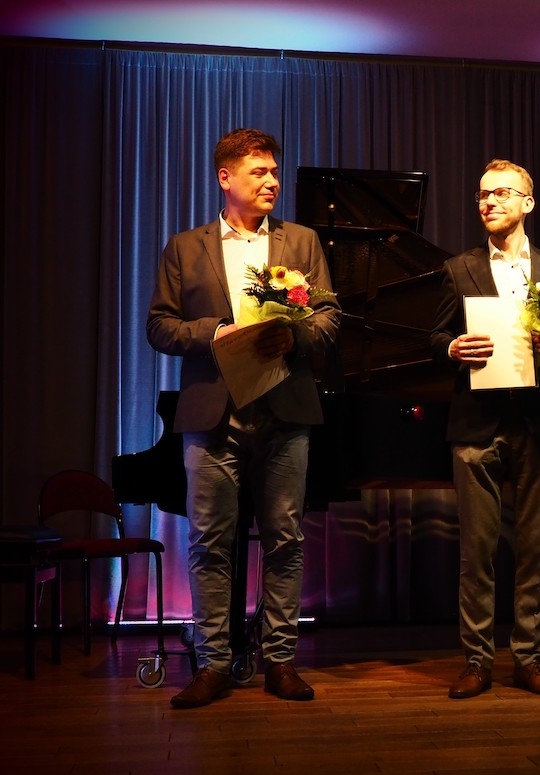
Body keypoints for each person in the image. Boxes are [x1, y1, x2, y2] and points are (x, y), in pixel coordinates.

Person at [147, 128, 342, 709]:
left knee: (285, 540)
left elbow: (330, 318)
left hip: (285, 409)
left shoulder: (301, 241)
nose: (273, 181)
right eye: (260, 172)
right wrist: (215, 331)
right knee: (209, 543)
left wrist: (294, 336)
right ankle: (212, 665)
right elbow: (159, 326)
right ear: (225, 178)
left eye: (275, 171)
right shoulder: (185, 247)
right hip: (212, 414)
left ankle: (280, 662)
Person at [430, 159, 540, 699]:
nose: (489, 202)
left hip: (537, 423)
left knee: (536, 550)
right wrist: (451, 347)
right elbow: (432, 338)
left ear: (527, 203)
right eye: (482, 194)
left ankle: (529, 658)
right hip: (477, 423)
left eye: (501, 193)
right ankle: (477, 660)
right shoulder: (458, 269)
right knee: (478, 552)